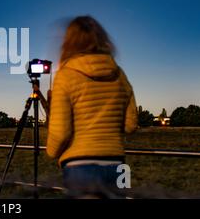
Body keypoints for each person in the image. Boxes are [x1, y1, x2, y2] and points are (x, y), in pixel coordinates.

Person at [36, 15, 138, 198]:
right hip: (118, 164)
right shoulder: (119, 74)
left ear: (70, 42)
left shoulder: (66, 75)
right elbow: (130, 124)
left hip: (80, 165)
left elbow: (61, 133)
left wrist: (51, 152)